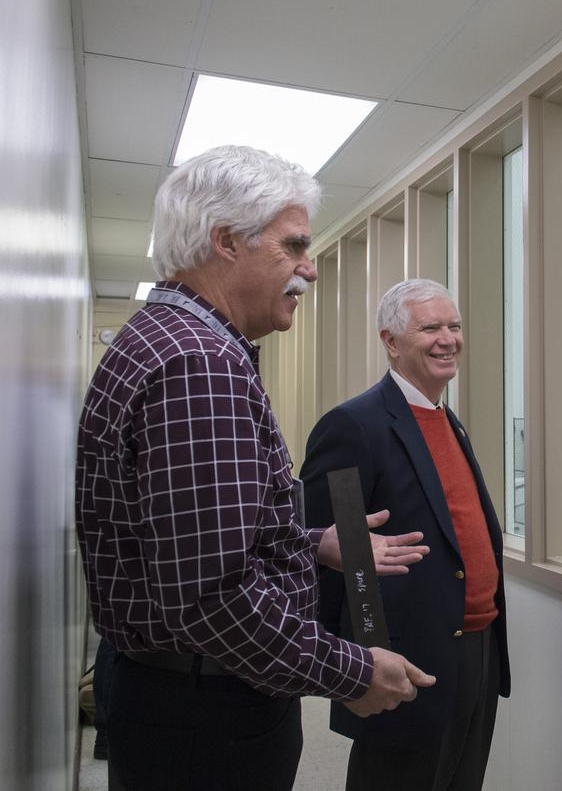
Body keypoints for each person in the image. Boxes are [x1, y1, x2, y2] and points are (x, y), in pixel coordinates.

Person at [76, 145, 435, 791]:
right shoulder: (199, 365)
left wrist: (305, 542)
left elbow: (183, 543)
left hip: (175, 696)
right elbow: (211, 595)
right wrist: (350, 673)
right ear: (225, 242)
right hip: (205, 713)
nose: (310, 269)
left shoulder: (165, 338)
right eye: (294, 246)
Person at [301, 279, 510, 791]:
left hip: (476, 650)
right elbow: (328, 556)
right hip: (404, 659)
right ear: (391, 341)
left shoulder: (447, 420)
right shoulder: (354, 425)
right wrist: (356, 666)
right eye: (430, 327)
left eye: (454, 326)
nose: (448, 339)